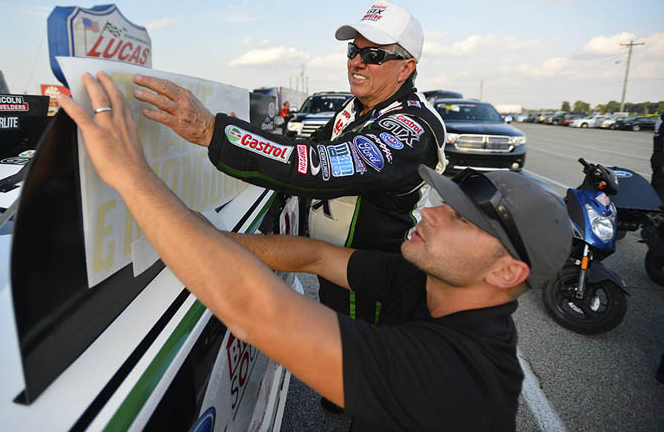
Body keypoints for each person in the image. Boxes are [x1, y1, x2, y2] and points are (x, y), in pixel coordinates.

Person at [58, 73, 571, 431]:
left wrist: (132, 175)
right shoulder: (428, 281)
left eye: (459, 219)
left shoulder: (457, 375)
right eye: (445, 203)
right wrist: (193, 230)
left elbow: (256, 309)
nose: (431, 214)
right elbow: (314, 257)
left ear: (507, 272)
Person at [129, 0, 447, 334]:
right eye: (353, 51)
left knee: (358, 364)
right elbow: (307, 148)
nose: (356, 62)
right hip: (336, 272)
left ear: (406, 68)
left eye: (373, 55)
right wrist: (249, 135)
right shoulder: (354, 108)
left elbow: (321, 166)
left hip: (380, 293)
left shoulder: (413, 126)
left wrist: (215, 132)